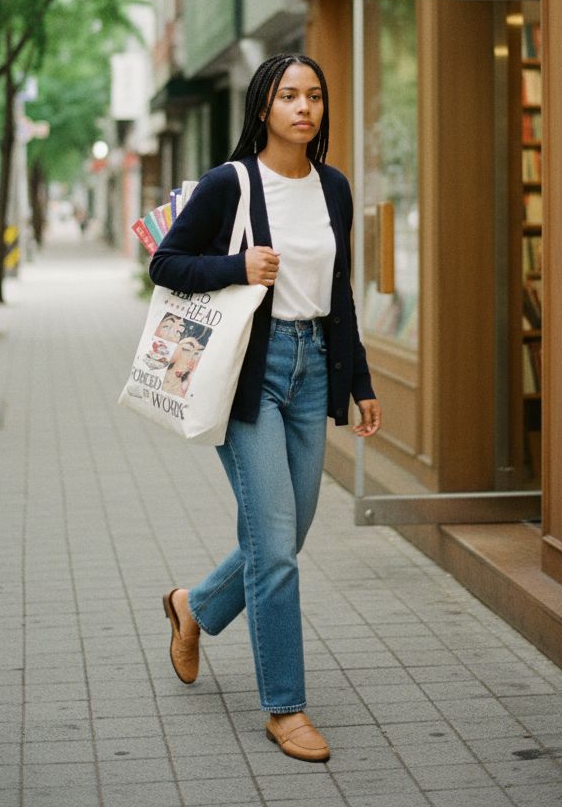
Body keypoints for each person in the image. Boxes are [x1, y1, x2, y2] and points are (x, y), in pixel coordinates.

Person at [149, 53, 381, 763]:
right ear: (263, 108)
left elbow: (338, 291)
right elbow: (166, 262)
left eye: (314, 96)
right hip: (251, 369)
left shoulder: (333, 188)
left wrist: (360, 382)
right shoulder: (231, 184)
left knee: (291, 531)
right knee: (276, 549)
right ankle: (286, 708)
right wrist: (237, 267)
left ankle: (196, 607)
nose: (303, 108)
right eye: (289, 96)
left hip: (315, 369)